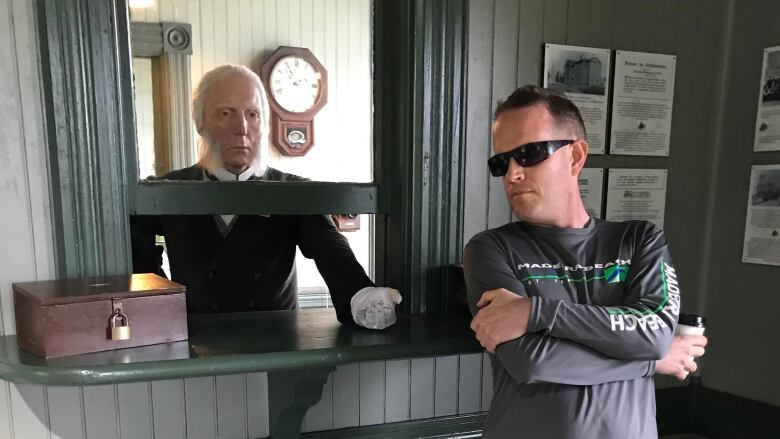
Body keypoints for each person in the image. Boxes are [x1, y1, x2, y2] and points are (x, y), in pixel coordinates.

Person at [463, 85, 708, 438]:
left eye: (530, 154)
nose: (512, 174)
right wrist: (650, 361)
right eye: (501, 162)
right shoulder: (491, 249)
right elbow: (531, 360)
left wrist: (536, 312)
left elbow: (653, 332)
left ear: (575, 156)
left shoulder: (639, 240)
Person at [131, 64, 401, 330]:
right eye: (225, 113)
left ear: (264, 125)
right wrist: (161, 307)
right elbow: (137, 252)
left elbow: (329, 245)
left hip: (274, 348)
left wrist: (359, 293)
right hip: (195, 348)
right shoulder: (169, 190)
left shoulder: (292, 191)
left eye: (252, 114)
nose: (242, 128)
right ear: (201, 123)